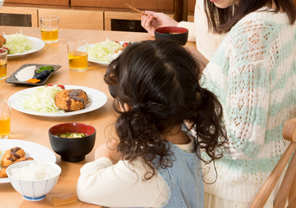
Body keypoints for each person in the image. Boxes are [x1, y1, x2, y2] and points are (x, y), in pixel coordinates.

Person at [174, 0, 296, 207]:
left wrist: (182, 111)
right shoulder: (277, 10)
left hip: (231, 191)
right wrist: (205, 69)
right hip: (259, 179)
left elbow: (242, 142)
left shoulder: (253, 33)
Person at [77, 40, 228, 207]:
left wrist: (104, 157)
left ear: (128, 106)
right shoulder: (187, 136)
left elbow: (86, 188)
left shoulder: (145, 171)